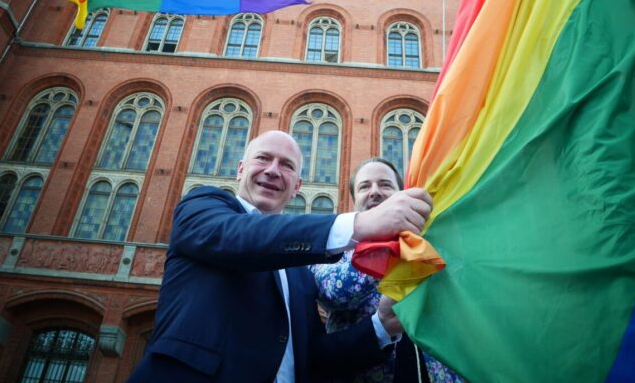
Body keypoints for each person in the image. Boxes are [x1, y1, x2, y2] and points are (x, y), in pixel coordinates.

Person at [128, 131, 433, 383]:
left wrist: (383, 325)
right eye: (263, 158)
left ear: (297, 187)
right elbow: (242, 236)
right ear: (240, 170)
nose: (273, 170)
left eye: (287, 165)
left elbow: (313, 355)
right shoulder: (203, 207)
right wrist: (361, 224)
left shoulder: (299, 271)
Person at [311, 158, 464, 383]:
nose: (375, 192)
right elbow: (334, 293)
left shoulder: (427, 244)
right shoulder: (335, 253)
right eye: (365, 186)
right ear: (354, 202)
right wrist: (396, 248)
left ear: (400, 195)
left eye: (385, 185)